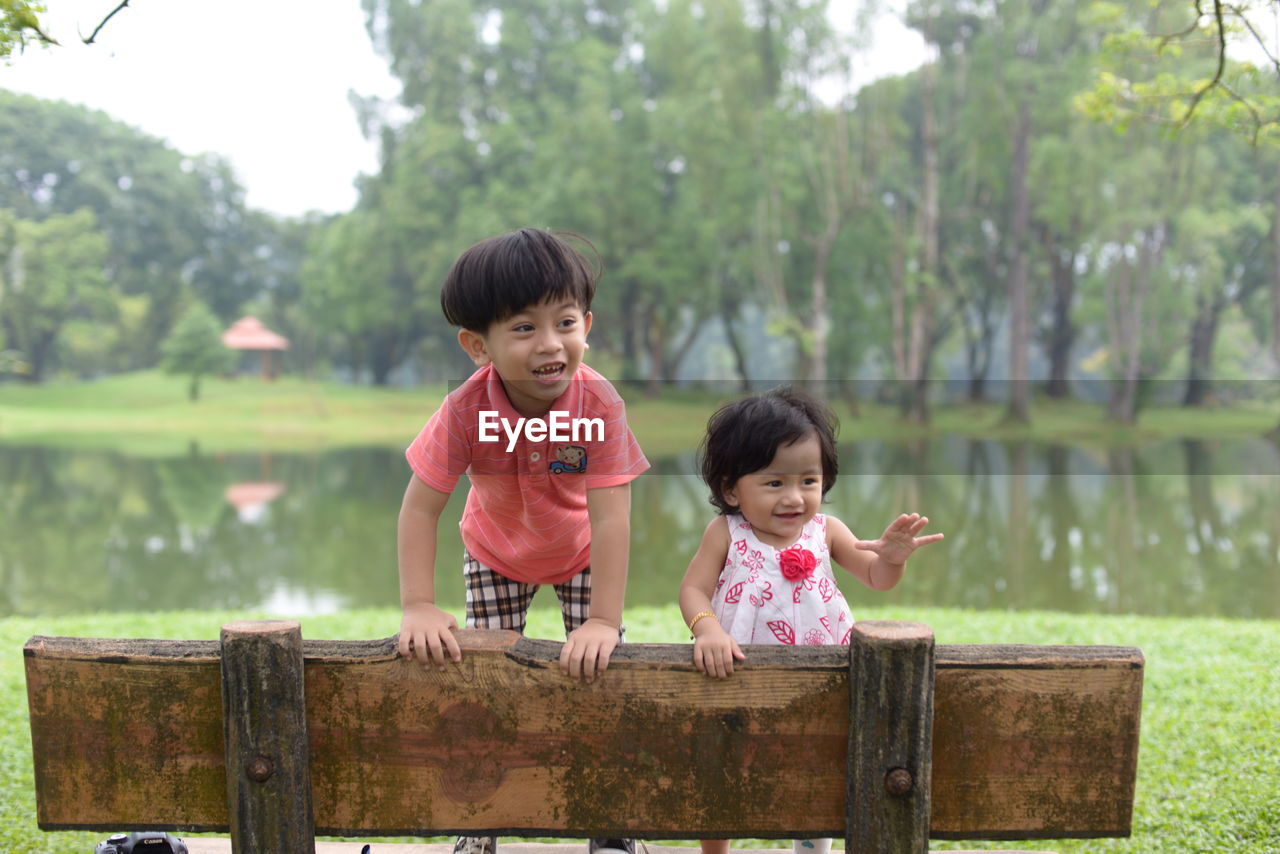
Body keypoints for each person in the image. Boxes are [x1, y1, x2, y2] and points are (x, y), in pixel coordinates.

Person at [396, 228, 649, 854]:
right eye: (524, 328)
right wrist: (418, 606)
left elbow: (613, 518)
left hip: (582, 549)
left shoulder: (599, 403)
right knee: (484, 684)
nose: (551, 344)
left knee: (600, 674)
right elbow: (420, 509)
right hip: (496, 551)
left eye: (564, 322)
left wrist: (603, 621)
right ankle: (478, 825)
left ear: (586, 323)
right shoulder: (463, 410)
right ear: (478, 345)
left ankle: (611, 827)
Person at [678, 386, 943, 854]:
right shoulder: (727, 534)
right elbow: (693, 589)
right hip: (738, 678)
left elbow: (876, 578)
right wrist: (708, 628)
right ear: (730, 489)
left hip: (823, 678)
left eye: (808, 481)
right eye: (774, 483)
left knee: (815, 766)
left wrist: (894, 558)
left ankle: (812, 849)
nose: (794, 498)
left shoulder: (828, 532)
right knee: (722, 766)